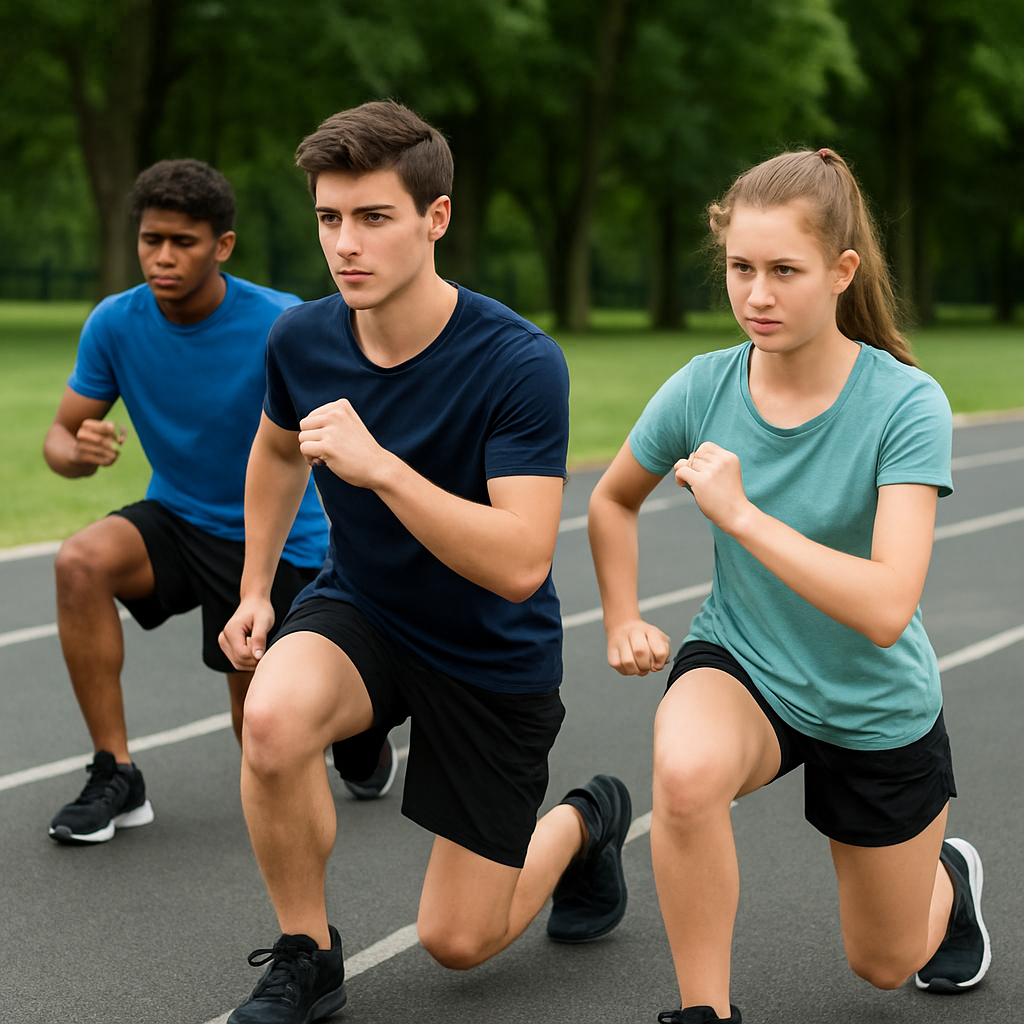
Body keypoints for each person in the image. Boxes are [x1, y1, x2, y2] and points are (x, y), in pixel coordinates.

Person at [218, 100, 631, 1024]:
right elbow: (279, 449)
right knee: (273, 720)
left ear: (435, 218)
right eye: (329, 218)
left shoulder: (519, 363)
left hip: (489, 652)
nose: (345, 245)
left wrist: (383, 470)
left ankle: (584, 822)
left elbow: (522, 563)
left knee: (457, 943)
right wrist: (254, 587)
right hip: (366, 609)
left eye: (374, 217)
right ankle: (307, 953)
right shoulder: (302, 338)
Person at [588, 149, 990, 1024]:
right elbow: (612, 501)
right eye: (740, 268)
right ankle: (705, 1012)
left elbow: (888, 608)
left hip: (873, 699)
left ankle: (948, 884)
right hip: (746, 658)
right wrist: (622, 615)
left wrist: (742, 518)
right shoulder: (702, 386)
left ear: (842, 272)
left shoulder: (905, 404)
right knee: (684, 773)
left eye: (783, 271)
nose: (756, 295)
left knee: (884, 965)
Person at [43, 158, 338, 846]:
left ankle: (361, 735)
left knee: (260, 736)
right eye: (152, 241)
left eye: (184, 242)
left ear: (222, 246)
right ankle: (116, 774)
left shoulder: (281, 323)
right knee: (79, 562)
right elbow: (60, 436)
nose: (164, 257)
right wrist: (75, 452)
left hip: (283, 540)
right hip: (178, 518)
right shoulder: (115, 324)